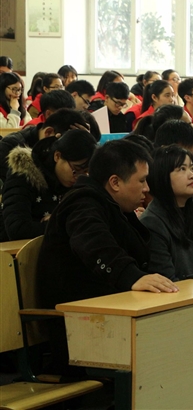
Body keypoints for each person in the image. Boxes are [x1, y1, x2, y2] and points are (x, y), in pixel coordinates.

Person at [37, 139, 178, 374]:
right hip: (80, 329)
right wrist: (131, 276)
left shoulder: (113, 205)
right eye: (142, 180)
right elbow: (94, 244)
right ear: (115, 182)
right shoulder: (82, 203)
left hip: (109, 317)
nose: (147, 188)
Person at [0, 130, 97, 241]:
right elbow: (17, 229)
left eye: (85, 172)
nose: (78, 178)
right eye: (76, 170)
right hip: (12, 248)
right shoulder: (23, 175)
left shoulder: (79, 182)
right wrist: (59, 224)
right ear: (57, 156)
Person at [141, 145, 193, 281]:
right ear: (162, 177)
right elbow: (166, 279)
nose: (192, 175)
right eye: (182, 169)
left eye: (192, 168)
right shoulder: (152, 223)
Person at [0, 109, 90, 182]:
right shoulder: (10, 146)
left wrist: (86, 143)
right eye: (65, 143)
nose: (68, 150)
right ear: (48, 132)